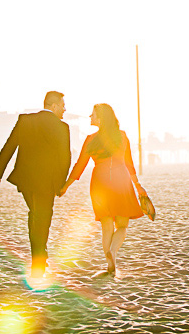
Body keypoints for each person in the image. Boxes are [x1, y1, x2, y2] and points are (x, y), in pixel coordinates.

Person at [58, 103, 148, 275]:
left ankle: (109, 265)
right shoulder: (122, 136)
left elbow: (80, 166)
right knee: (122, 225)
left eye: (92, 114)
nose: (90, 117)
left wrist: (65, 186)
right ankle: (113, 252)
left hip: (100, 182)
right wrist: (138, 186)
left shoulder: (91, 139)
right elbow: (129, 164)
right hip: (121, 180)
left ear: (100, 119)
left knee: (107, 226)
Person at [0, 90, 71, 278]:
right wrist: (61, 182)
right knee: (42, 220)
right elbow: (65, 158)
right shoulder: (62, 127)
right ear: (53, 106)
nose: (65, 109)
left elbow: (9, 145)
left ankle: (39, 256)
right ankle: (39, 262)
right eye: (62, 105)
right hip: (47, 181)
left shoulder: (25, 120)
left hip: (26, 179)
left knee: (35, 216)